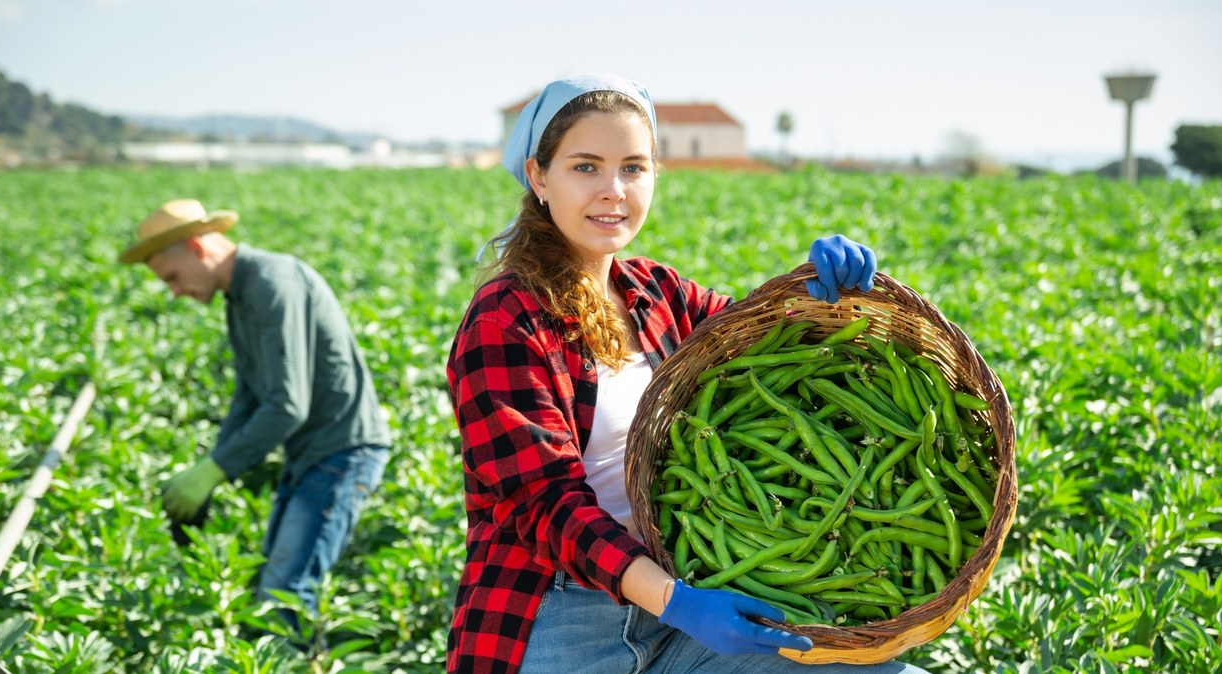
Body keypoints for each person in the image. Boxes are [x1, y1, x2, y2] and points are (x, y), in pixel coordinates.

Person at [445, 74, 926, 674]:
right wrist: (680, 604)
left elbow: (764, 344)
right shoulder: (506, 320)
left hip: (687, 598)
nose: (613, 191)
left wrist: (821, 293)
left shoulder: (658, 292)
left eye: (633, 168)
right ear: (539, 176)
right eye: (586, 167)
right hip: (561, 621)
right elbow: (546, 504)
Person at [117, 199, 392, 635]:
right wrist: (212, 468)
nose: (174, 291)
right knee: (272, 588)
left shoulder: (271, 282)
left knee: (284, 596)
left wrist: (213, 471)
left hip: (343, 453)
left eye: (172, 278)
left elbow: (286, 406)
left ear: (196, 248)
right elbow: (249, 396)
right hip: (311, 454)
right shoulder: (239, 294)